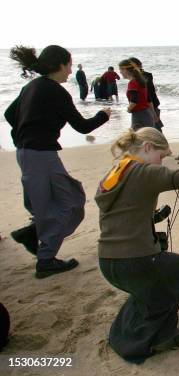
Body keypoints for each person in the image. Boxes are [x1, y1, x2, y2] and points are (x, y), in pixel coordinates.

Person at [4, 45, 111, 278]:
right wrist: (104, 115)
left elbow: (9, 114)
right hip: (40, 155)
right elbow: (82, 126)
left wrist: (25, 133)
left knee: (50, 203)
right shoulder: (55, 91)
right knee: (70, 203)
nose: (71, 71)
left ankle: (34, 235)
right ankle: (45, 259)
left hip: (26, 153)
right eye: (70, 65)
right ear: (60, 64)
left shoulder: (32, 86)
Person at [96, 128, 179, 363]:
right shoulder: (143, 171)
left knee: (149, 285)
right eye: (161, 156)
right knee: (178, 267)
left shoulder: (116, 171)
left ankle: (129, 331)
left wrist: (153, 217)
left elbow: (124, 213)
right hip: (134, 263)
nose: (161, 162)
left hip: (108, 263)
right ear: (147, 148)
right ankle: (164, 336)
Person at [118, 59, 156, 130]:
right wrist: (153, 113)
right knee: (148, 135)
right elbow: (148, 99)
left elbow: (134, 100)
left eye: (120, 70)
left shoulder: (132, 83)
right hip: (147, 112)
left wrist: (129, 109)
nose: (120, 72)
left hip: (139, 114)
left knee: (136, 137)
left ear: (125, 70)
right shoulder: (140, 81)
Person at [129, 57, 164, 132]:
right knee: (149, 131)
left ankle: (162, 143)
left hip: (149, 106)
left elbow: (150, 93)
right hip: (145, 107)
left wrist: (153, 112)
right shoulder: (135, 78)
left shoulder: (145, 76)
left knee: (154, 130)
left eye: (132, 66)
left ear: (139, 65)